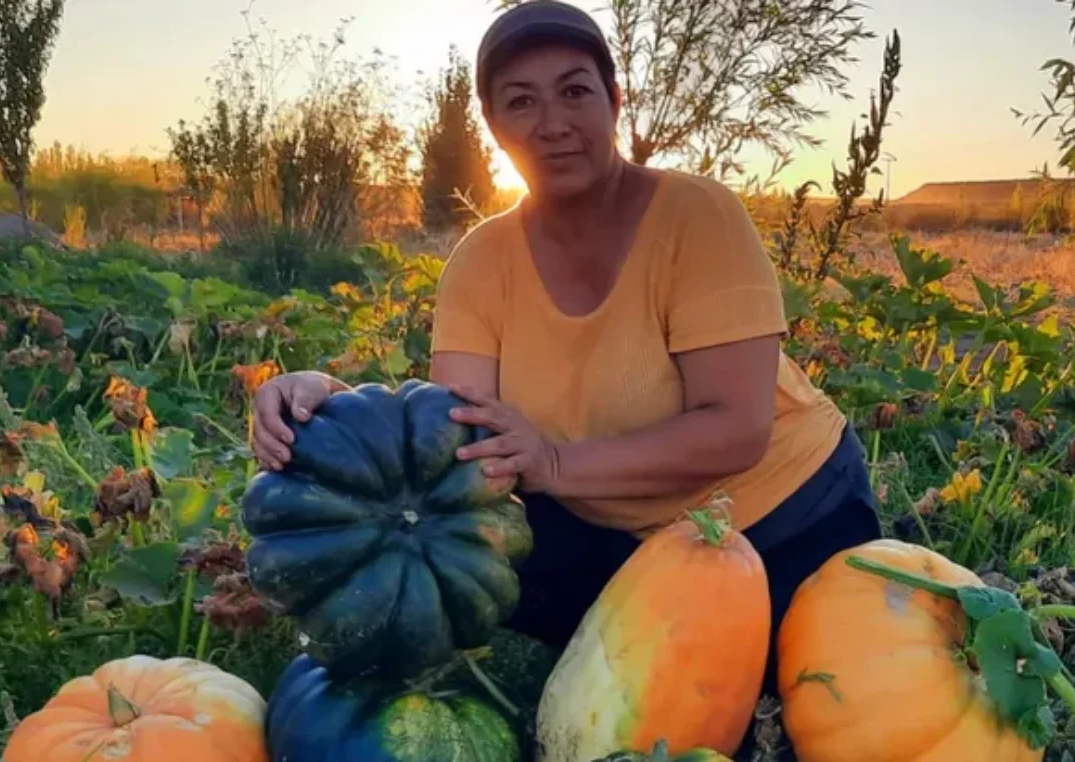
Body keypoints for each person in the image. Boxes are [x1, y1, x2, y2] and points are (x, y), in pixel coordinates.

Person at [250, 1, 882, 757]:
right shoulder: (481, 262)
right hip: (608, 529)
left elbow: (736, 427)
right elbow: (453, 432)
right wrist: (333, 405)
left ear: (614, 101)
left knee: (804, 708)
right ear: (492, 123)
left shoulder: (696, 216)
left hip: (775, 517)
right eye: (521, 100)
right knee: (469, 566)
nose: (552, 121)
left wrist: (551, 463)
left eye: (575, 90)